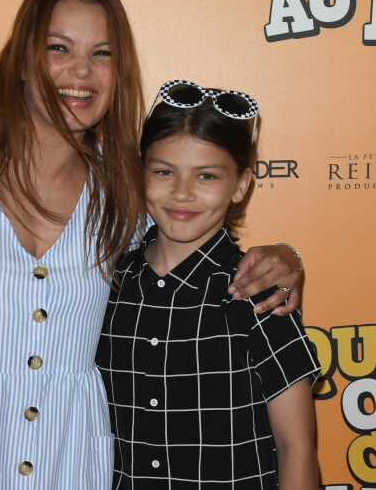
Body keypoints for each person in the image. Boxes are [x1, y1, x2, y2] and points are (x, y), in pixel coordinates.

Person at [0, 0, 303, 489]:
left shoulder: (125, 186)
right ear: (23, 61)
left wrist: (287, 256)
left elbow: (192, 227)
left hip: (62, 463)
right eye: (60, 48)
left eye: (101, 54)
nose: (81, 72)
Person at [96, 80, 320, 489]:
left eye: (206, 176)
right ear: (140, 171)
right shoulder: (106, 284)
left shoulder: (259, 294)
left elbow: (296, 448)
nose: (182, 193)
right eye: (164, 171)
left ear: (239, 185)